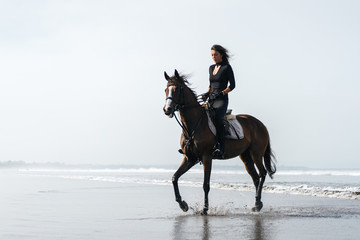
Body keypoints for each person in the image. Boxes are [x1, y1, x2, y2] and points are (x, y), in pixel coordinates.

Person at [203, 44, 236, 158]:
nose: (213, 57)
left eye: (216, 55)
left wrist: (221, 92)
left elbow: (232, 85)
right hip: (211, 99)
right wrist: (206, 93)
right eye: (212, 55)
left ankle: (220, 147)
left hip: (221, 100)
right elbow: (210, 84)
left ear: (221, 55)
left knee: (218, 119)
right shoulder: (211, 68)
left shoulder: (227, 67)